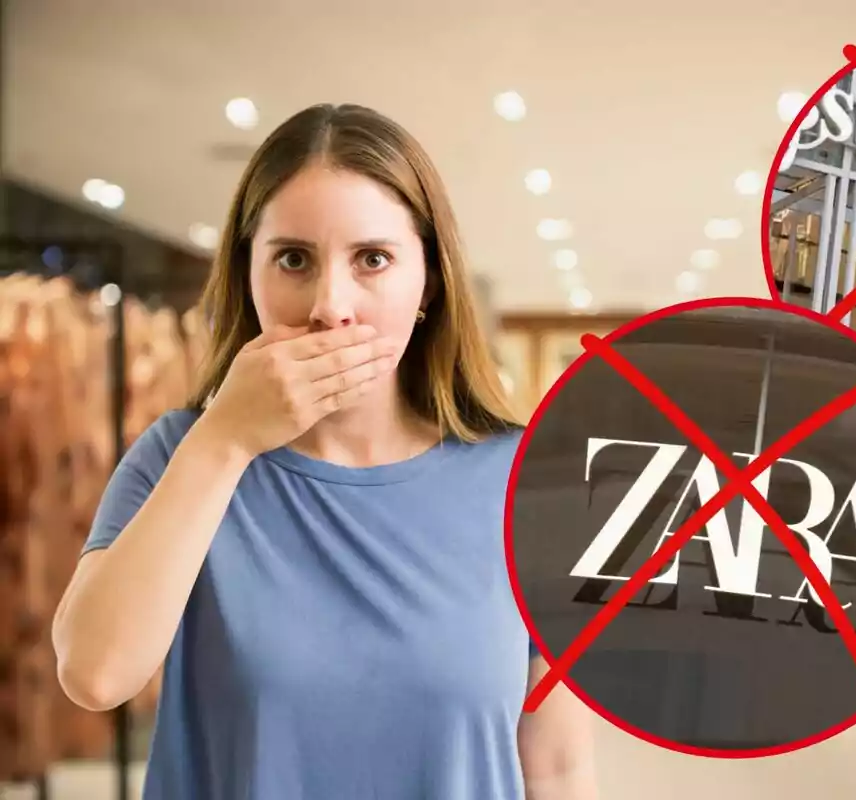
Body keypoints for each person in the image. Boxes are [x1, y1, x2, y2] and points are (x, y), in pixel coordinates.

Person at [50, 103, 596, 800]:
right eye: (293, 260)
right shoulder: (180, 456)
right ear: (248, 273)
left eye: (372, 259)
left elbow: (555, 764)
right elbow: (95, 675)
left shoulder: (525, 483)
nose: (330, 306)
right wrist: (225, 439)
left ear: (428, 280)